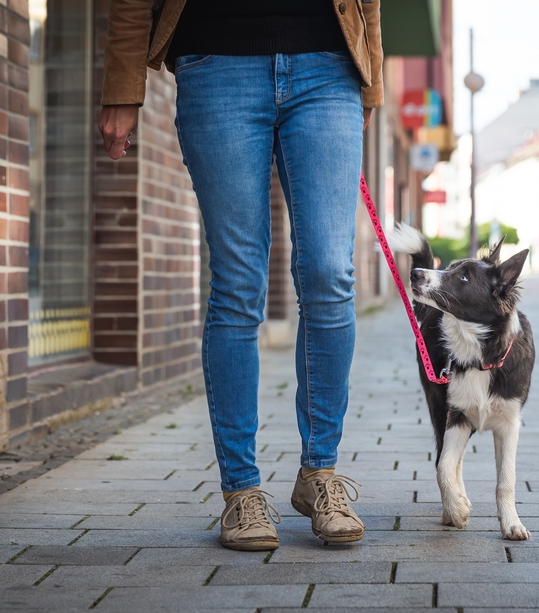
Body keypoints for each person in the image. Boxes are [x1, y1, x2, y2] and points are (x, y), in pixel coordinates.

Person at [98, 1, 383, 551]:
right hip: (216, 61)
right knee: (237, 284)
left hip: (327, 65)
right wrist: (121, 87)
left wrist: (369, 79)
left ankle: (319, 473)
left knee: (329, 273)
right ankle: (241, 490)